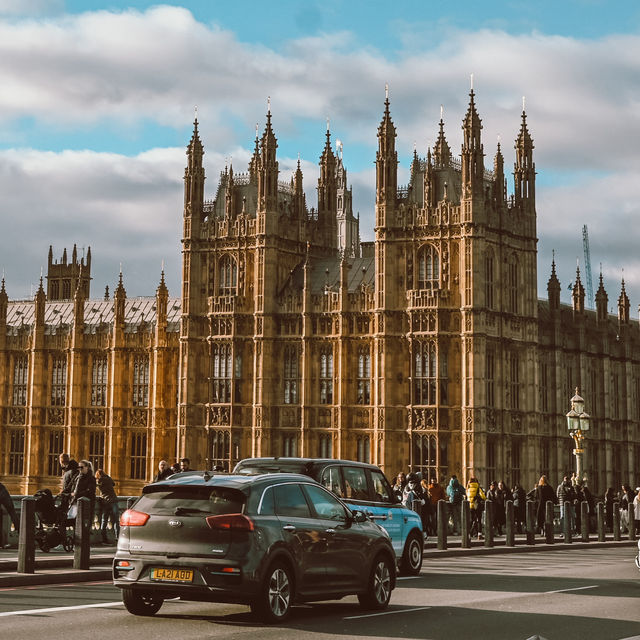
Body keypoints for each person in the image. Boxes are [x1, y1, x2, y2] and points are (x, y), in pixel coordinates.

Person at [95, 469, 120, 543]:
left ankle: (104, 538)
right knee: (116, 520)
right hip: (113, 500)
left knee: (104, 520)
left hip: (105, 501)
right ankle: (117, 537)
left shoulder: (99, 481)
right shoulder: (108, 478)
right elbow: (113, 484)